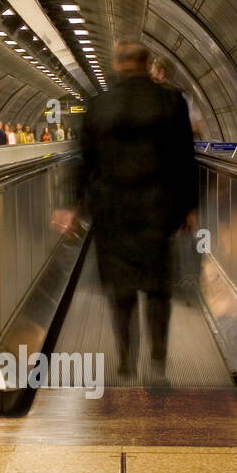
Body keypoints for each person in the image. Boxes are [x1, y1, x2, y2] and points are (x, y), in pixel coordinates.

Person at [58, 42, 198, 381]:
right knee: (157, 289)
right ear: (147, 63)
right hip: (158, 210)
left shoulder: (99, 106)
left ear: (119, 65)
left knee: (120, 291)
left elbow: (83, 161)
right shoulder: (171, 102)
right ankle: (158, 361)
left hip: (111, 214)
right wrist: (190, 206)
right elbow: (184, 158)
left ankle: (125, 359)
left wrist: (71, 207)